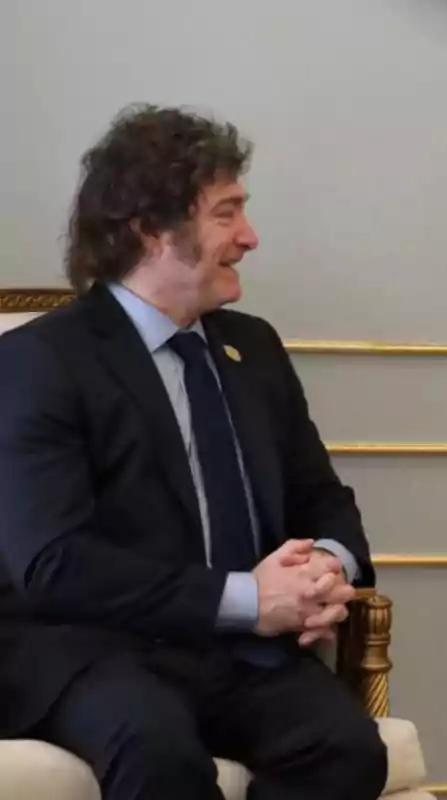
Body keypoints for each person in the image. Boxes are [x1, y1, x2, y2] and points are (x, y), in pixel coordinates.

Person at [0, 105, 387, 800]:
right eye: (225, 214)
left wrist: (327, 565)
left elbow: (323, 496)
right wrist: (247, 598)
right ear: (151, 230)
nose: (250, 237)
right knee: (159, 753)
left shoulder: (254, 349)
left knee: (348, 748)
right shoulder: (40, 362)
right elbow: (52, 563)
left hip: (239, 657)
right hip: (95, 651)